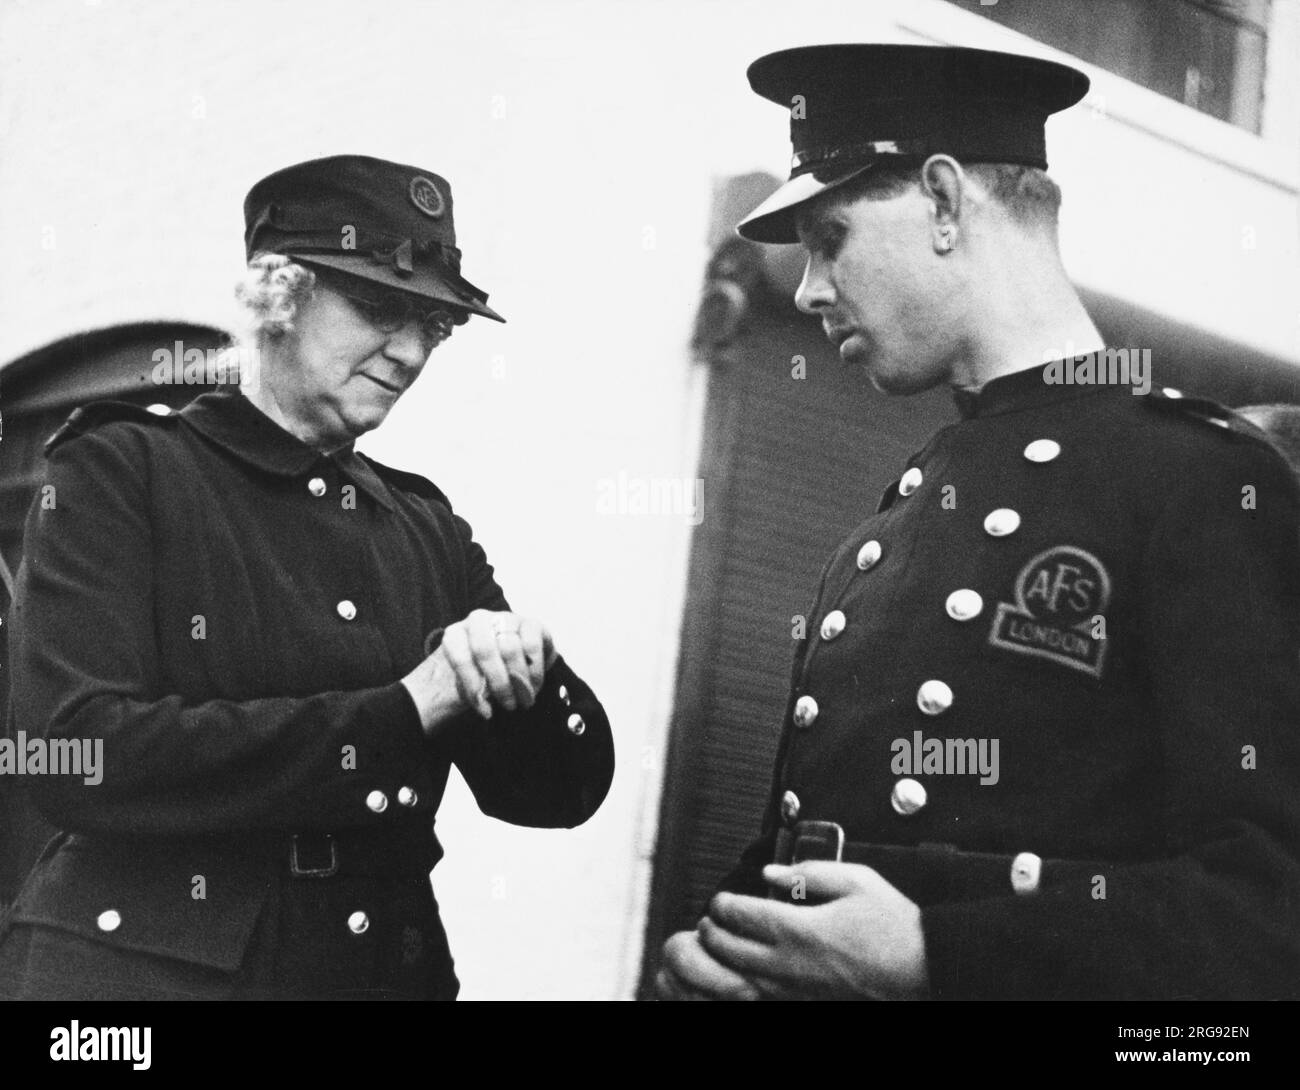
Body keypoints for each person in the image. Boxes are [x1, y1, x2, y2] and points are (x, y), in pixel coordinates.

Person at [657, 44, 1300, 1001]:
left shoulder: (1201, 483)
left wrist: (937, 957)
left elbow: (1268, 915)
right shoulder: (896, 517)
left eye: (831, 237)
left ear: (948, 204)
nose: (806, 289)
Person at [0, 154, 614, 1000]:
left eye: (434, 326)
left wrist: (525, 671)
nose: (409, 352)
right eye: (378, 307)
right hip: (146, 982)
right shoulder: (124, 469)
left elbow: (556, 792)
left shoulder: (423, 527)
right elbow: (73, 754)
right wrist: (405, 712)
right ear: (278, 294)